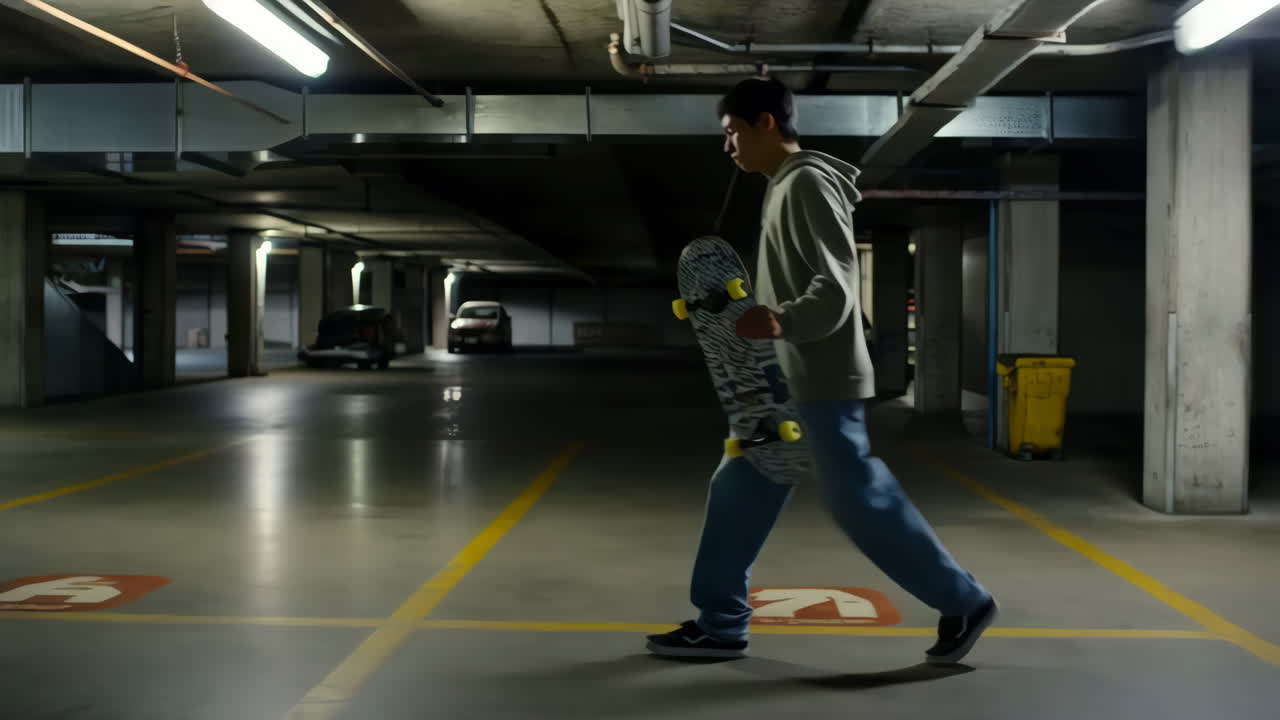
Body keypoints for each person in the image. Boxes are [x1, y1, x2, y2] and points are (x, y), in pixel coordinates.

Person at [646, 77, 997, 665]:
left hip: (820, 379)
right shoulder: (781, 187)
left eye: (733, 132)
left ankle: (963, 600)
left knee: (858, 499)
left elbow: (835, 288)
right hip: (780, 382)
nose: (727, 146)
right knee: (736, 488)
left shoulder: (806, 182)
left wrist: (778, 321)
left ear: (765, 123)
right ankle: (721, 621)